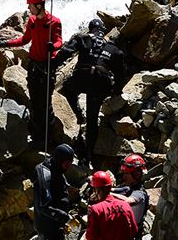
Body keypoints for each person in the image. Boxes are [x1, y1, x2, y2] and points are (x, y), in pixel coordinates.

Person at [53, 19, 125, 167]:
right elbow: (120, 72)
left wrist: (52, 65)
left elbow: (65, 52)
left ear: (90, 29)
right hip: (100, 83)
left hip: (81, 78)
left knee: (67, 90)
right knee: (93, 120)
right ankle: (88, 156)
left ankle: (78, 115)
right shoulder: (113, 48)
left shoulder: (83, 39)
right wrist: (116, 91)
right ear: (103, 32)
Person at [0, 0, 63, 146]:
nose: (28, 9)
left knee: (45, 103)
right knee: (34, 101)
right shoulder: (32, 21)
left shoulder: (54, 22)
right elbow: (25, 40)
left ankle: (48, 137)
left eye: (30, 6)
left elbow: (59, 41)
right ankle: (36, 134)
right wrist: (6, 43)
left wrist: (52, 46)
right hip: (34, 65)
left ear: (39, 5)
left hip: (47, 66)